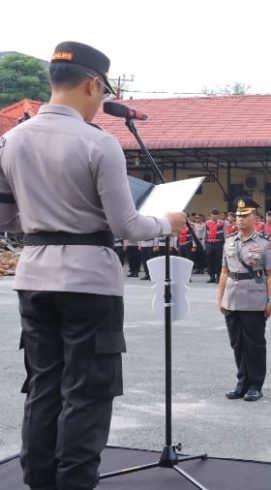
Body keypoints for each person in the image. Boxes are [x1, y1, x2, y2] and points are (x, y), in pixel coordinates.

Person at [0, 41, 187, 490]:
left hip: (34, 275)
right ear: (91, 83)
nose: (103, 103)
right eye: (103, 92)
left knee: (44, 387)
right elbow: (127, 226)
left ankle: (39, 482)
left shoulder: (10, 140)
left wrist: (47, 215)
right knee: (87, 392)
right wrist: (168, 221)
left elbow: (4, 217)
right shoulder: (98, 143)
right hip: (90, 282)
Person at [218, 196, 271, 402]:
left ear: (256, 218)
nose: (240, 219)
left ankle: (255, 384)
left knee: (254, 344)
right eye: (238, 216)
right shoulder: (229, 242)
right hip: (232, 298)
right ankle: (241, 382)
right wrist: (220, 299)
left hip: (254, 299)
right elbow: (224, 271)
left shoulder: (265, 244)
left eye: (245, 215)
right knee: (237, 343)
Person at [205, 208, 225, 283]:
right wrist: (205, 244)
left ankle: (218, 276)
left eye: (216, 215)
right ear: (210, 215)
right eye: (213, 215)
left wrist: (226, 244)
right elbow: (205, 234)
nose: (214, 216)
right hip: (209, 244)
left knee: (218, 261)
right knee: (209, 260)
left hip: (219, 244)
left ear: (218, 215)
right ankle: (211, 276)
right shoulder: (207, 223)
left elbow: (225, 234)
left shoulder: (222, 223)